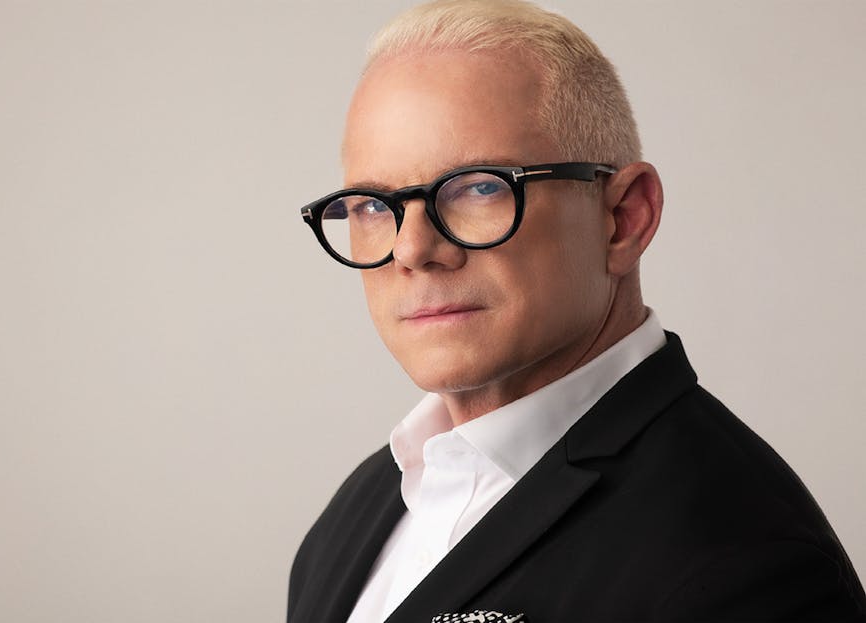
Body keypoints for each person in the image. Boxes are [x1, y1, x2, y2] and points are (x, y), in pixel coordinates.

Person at [288, 1, 866, 621]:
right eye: (373, 206)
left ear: (623, 219)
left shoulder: (745, 565)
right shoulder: (361, 507)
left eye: (480, 187)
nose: (412, 250)